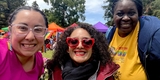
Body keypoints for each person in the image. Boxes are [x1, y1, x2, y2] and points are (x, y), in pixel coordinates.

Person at [106, 0, 160, 80]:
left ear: (139, 14)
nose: (125, 18)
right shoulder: (110, 34)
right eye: (120, 14)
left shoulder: (151, 35)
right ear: (113, 15)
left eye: (131, 13)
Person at [46, 22, 119, 80]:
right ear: (67, 48)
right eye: (73, 41)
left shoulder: (106, 73)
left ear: (93, 48)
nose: (80, 46)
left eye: (87, 42)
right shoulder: (54, 72)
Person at [0, 6, 48, 80]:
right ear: (10, 30)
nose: (30, 37)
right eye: (22, 28)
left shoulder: (38, 60)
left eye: (38, 29)